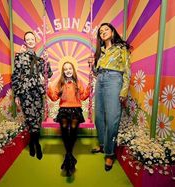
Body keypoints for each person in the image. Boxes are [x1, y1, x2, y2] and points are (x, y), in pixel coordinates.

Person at [90, 23, 132, 171]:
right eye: (101, 31)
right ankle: (102, 145)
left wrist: (124, 91)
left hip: (114, 80)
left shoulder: (121, 48)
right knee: (99, 116)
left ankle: (109, 153)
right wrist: (93, 65)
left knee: (113, 117)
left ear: (113, 31)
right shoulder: (100, 51)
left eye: (106, 29)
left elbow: (127, 70)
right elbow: (96, 73)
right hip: (100, 80)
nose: (103, 32)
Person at [11, 31, 53, 160]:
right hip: (25, 91)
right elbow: (16, 76)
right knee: (30, 118)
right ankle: (36, 144)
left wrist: (47, 61)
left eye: (32, 39)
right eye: (27, 39)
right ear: (25, 42)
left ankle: (33, 142)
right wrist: (17, 95)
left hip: (37, 91)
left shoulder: (40, 60)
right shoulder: (19, 57)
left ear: (35, 41)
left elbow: (48, 74)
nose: (30, 41)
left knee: (37, 118)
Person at [47, 61, 90, 176]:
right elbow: (54, 98)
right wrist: (48, 87)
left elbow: (84, 96)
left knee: (74, 128)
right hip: (64, 110)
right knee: (65, 128)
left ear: (73, 69)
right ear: (63, 72)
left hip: (75, 109)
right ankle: (70, 154)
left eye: (70, 68)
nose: (68, 71)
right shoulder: (60, 83)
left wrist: (90, 86)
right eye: (65, 69)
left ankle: (68, 155)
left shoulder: (78, 82)